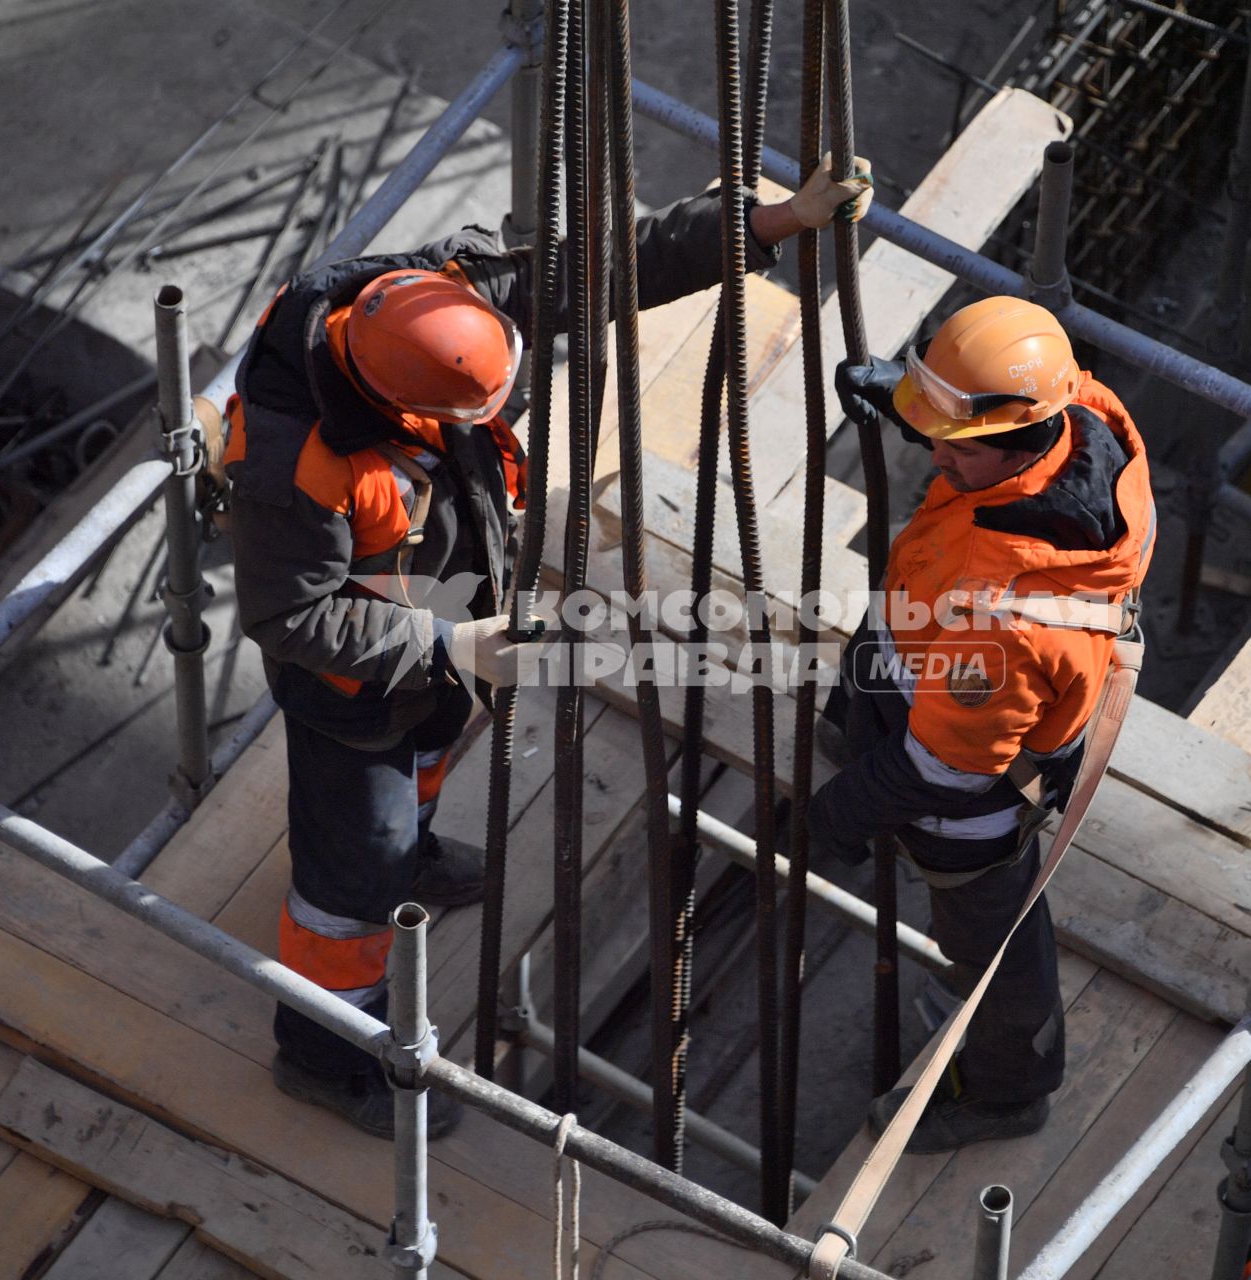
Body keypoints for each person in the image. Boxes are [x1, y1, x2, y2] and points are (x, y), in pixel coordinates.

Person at [221, 157, 875, 1139]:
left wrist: (774, 221)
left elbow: (611, 265)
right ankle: (327, 1057)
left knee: (436, 743)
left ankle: (412, 848)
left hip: (446, 607)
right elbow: (293, 618)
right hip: (354, 674)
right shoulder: (291, 461)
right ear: (408, 410)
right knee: (346, 887)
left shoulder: (445, 291)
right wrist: (450, 642)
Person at [812, 295, 1155, 1152]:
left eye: (951, 445)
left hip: (965, 794)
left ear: (1014, 446)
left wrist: (837, 815)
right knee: (868, 712)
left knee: (989, 941)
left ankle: (1009, 1090)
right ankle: (853, 737)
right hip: (915, 652)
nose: (933, 454)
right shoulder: (1079, 411)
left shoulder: (1004, 622)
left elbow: (944, 772)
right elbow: (993, 414)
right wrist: (911, 397)